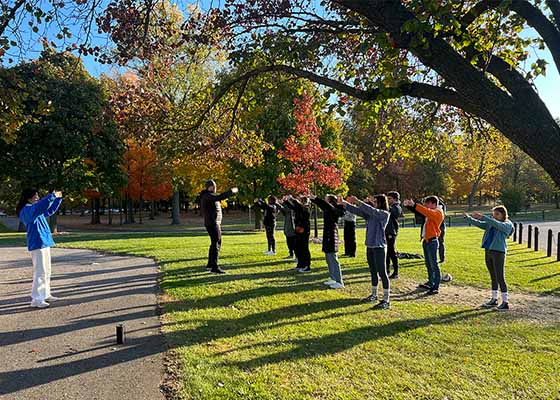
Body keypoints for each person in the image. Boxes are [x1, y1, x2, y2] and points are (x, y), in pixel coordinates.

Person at [340, 194, 391, 309]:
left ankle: (386, 300)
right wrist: (345, 203)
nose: (373, 203)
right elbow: (357, 211)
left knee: (382, 273)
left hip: (379, 247)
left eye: (375, 201)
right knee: (373, 271)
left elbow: (372, 211)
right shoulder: (371, 214)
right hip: (370, 246)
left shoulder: (384, 214)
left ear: (381, 203)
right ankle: (374, 295)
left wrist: (358, 201)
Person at [16, 188, 63, 308]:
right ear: (28, 197)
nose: (37, 197)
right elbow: (40, 207)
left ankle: (45, 294)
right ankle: (36, 299)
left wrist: (57, 199)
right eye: (35, 195)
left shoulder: (34, 209)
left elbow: (49, 210)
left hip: (44, 242)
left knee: (46, 270)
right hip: (37, 243)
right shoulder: (26, 210)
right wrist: (50, 196)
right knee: (40, 272)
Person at [464, 206, 514, 311]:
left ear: (503, 215)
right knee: (493, 277)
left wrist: (485, 217)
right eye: (493, 214)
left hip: (498, 252)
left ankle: (505, 302)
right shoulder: (491, 223)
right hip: (488, 251)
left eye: (497, 214)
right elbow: (480, 224)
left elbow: (498, 225)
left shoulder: (507, 224)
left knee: (500, 277)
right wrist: (468, 218)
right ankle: (494, 299)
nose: (494, 216)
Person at [403, 196, 445, 295]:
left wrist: (414, 205)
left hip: (432, 241)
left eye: (427, 204)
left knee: (434, 264)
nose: (426, 206)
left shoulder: (438, 212)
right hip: (426, 241)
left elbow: (426, 212)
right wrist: (410, 207)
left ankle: (435, 286)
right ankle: (430, 282)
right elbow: (421, 212)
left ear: (434, 204)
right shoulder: (431, 212)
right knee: (428, 263)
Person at [199, 180, 238, 274]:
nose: (215, 187)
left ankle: (210, 264)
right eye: (214, 186)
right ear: (210, 187)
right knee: (216, 243)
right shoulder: (208, 195)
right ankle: (214, 267)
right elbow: (220, 197)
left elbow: (218, 198)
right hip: (212, 223)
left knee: (215, 243)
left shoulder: (209, 196)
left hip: (214, 223)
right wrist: (231, 191)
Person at [310, 194, 345, 289]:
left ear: (330, 201)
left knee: (333, 259)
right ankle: (333, 278)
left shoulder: (334, 209)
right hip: (328, 235)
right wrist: (313, 200)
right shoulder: (329, 209)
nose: (325, 201)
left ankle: (339, 281)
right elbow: (323, 205)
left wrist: (316, 198)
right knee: (328, 258)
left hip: (332, 236)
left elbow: (326, 206)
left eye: (326, 199)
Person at [285, 195, 312, 273]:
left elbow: (298, 206)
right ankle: (300, 264)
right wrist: (286, 201)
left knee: (304, 248)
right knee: (297, 247)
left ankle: (307, 266)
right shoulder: (299, 208)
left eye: (301, 200)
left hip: (304, 231)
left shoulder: (305, 208)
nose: (299, 201)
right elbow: (293, 207)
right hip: (298, 229)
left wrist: (293, 199)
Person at [385, 191, 402, 279]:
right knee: (386, 252)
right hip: (386, 231)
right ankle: (386, 270)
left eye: (390, 199)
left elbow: (394, 214)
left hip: (391, 232)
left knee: (392, 252)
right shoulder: (391, 207)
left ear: (395, 199)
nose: (388, 200)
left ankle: (395, 272)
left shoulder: (397, 207)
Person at [438, 197, 447, 263]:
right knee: (441, 242)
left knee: (436, 243)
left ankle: (440, 257)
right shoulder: (443, 207)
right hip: (442, 226)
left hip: (439, 226)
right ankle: (442, 258)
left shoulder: (438, 208)